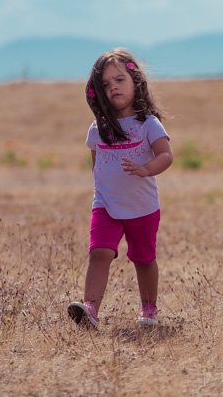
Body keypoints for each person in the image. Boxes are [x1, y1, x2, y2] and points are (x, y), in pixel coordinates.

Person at [67, 48, 173, 329]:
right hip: (105, 204)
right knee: (99, 252)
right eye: (105, 84)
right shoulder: (97, 129)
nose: (113, 87)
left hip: (142, 206)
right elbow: (97, 166)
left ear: (135, 81)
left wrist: (146, 169)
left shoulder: (148, 124)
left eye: (119, 79)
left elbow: (166, 155)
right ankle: (90, 309)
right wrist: (103, 191)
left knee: (144, 259)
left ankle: (148, 311)